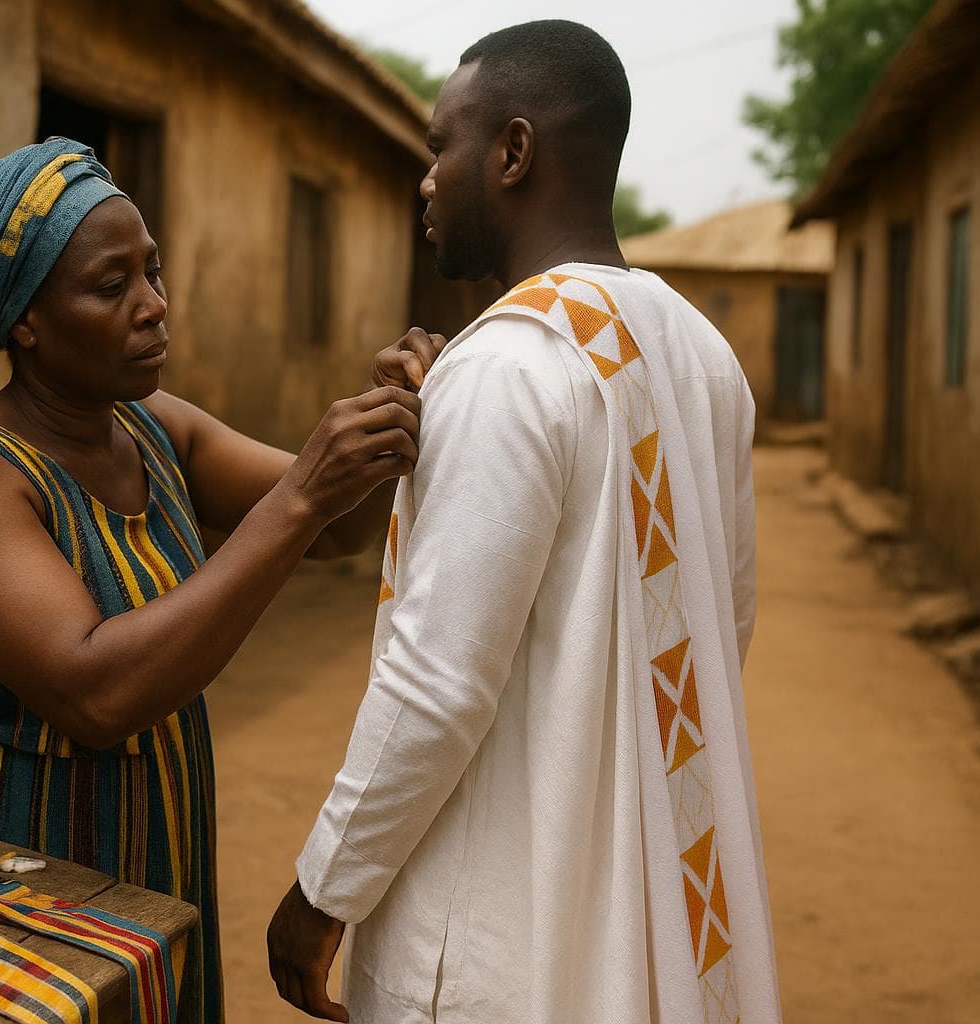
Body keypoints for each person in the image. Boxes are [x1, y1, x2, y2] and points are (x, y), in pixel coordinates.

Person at [267, 20, 782, 1024]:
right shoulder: (701, 354)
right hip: (642, 910)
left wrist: (323, 889)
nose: (425, 181)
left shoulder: (506, 367)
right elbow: (725, 619)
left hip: (503, 940)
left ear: (512, 151)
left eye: (437, 148)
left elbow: (437, 682)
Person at [0, 137, 438, 1024]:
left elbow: (338, 529)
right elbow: (97, 693)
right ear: (26, 320)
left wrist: (390, 421)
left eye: (154, 273)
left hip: (149, 819)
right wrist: (303, 492)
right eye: (111, 286)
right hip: (4, 841)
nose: (154, 307)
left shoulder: (151, 427)